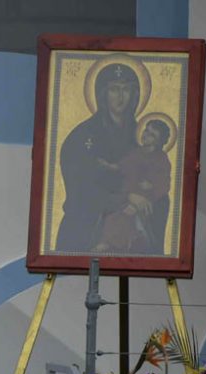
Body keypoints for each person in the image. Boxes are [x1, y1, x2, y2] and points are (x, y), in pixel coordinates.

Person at [57, 62, 141, 253]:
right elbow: (80, 191)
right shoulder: (82, 136)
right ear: (103, 94)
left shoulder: (142, 135)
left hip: (128, 221)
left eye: (126, 90)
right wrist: (125, 197)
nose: (121, 97)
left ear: (135, 95)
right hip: (88, 225)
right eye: (114, 90)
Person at [94, 118, 172, 254]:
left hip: (148, 198)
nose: (146, 135)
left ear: (159, 141)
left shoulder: (162, 159)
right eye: (146, 131)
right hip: (129, 193)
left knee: (127, 217)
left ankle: (108, 244)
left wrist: (151, 186)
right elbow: (122, 165)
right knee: (114, 215)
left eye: (152, 135)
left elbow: (164, 184)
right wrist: (108, 166)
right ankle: (106, 242)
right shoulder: (136, 152)